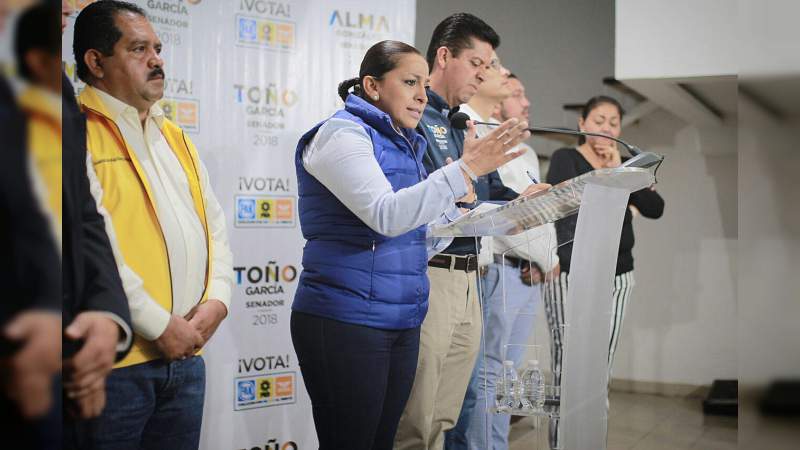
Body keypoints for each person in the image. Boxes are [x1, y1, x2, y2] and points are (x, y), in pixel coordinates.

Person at [291, 39, 529, 450]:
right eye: (410, 82)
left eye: (423, 84)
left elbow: (416, 232)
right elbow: (386, 217)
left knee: (385, 440)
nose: (422, 95)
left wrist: (467, 210)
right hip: (346, 318)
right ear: (372, 85)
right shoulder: (340, 134)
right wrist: (466, 169)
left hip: (399, 317)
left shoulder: (405, 142)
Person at [71, 1, 233, 448]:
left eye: (158, 48)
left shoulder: (174, 136)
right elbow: (87, 246)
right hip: (116, 365)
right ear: (95, 62)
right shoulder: (74, 131)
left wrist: (218, 299)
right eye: (139, 49)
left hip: (186, 358)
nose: (157, 60)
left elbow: (214, 228)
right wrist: (159, 324)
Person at [394, 14, 544, 450]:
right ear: (444, 56)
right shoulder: (414, 117)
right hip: (431, 273)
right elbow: (410, 201)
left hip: (470, 276)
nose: (484, 73)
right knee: (416, 419)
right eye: (477, 62)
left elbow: (484, 196)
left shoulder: (462, 124)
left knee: (446, 414)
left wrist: (525, 201)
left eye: (489, 64)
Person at [543, 95, 664, 447]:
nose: (606, 128)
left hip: (619, 274)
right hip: (571, 273)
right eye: (599, 120)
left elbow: (655, 207)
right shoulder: (566, 158)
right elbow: (564, 202)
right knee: (569, 370)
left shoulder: (627, 164)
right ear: (582, 123)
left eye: (613, 122)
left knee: (600, 372)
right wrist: (610, 177)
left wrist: (623, 174)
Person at [447, 67, 558, 450]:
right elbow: (491, 209)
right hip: (496, 267)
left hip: (528, 273)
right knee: (486, 375)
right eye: (514, 84)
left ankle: (496, 445)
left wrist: (546, 258)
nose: (523, 98)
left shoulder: (518, 145)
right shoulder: (471, 130)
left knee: (502, 376)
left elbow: (524, 204)